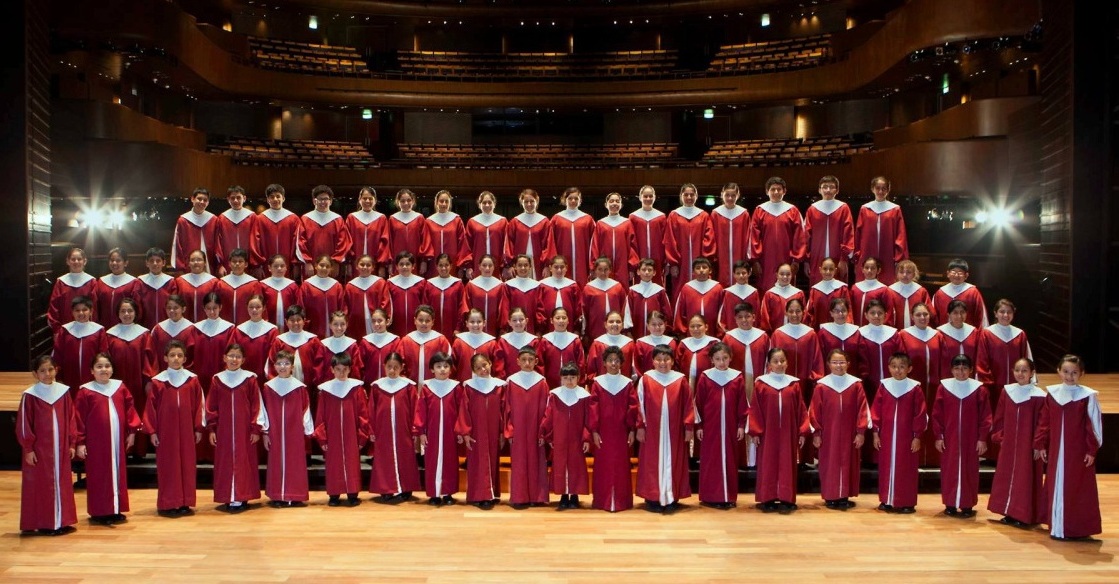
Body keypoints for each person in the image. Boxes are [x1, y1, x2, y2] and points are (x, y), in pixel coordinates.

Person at [1035, 354, 1102, 540]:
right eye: (1065, 372)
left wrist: (1091, 450)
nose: (1069, 376)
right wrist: (1041, 444)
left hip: (1077, 452)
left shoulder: (1086, 397)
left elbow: (1093, 425)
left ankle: (1075, 527)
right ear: (1058, 372)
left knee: (1076, 487)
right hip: (1057, 451)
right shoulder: (1053, 395)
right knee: (1056, 484)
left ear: (1081, 374)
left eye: (1074, 372)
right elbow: (1044, 422)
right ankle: (1057, 526)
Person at [75, 353, 141, 524]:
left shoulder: (120, 388)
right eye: (99, 366)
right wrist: (80, 442)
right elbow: (78, 418)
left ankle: (115, 508)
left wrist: (132, 432)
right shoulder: (85, 392)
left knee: (117, 473)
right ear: (92, 371)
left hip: (117, 440)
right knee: (98, 474)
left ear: (112, 369)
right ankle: (99, 511)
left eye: (107, 366)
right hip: (96, 442)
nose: (104, 370)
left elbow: (130, 410)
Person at [17, 355, 78, 535]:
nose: (47, 374)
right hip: (40, 451)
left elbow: (71, 418)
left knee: (62, 483)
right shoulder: (30, 396)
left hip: (60, 449)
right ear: (35, 374)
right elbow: (23, 424)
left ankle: (62, 520)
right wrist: (28, 448)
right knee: (43, 485)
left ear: (56, 370)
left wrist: (72, 443)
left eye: (50, 370)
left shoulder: (63, 392)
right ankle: (46, 522)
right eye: (42, 371)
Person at [143, 341, 204, 516]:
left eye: (179, 355)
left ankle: (184, 501)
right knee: (168, 465)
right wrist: (152, 431)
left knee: (186, 464)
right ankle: (169, 503)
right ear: (165, 358)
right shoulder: (158, 382)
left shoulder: (192, 380)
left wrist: (198, 428)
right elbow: (151, 408)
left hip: (186, 430)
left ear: (185, 358)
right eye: (172, 355)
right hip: (165, 430)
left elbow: (199, 405)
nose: (176, 359)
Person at [635, 344, 695, 513]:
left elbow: (688, 405)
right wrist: (641, 426)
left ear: (672, 361)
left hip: (674, 430)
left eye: (666, 359)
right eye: (659, 359)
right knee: (652, 461)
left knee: (673, 459)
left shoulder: (680, 379)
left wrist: (688, 427)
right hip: (652, 429)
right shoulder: (646, 379)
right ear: (653, 361)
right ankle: (653, 496)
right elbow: (639, 404)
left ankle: (671, 495)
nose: (663, 363)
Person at [749, 348, 810, 512]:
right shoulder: (761, 384)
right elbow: (755, 409)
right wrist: (755, 431)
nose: (779, 364)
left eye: (782, 360)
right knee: (768, 462)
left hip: (788, 432)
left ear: (787, 362)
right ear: (769, 364)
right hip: (768, 432)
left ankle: (786, 497)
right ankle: (767, 497)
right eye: (775, 361)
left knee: (787, 463)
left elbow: (801, 409)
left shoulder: (793, 384)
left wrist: (802, 431)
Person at [987, 358, 1046, 527]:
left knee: (1025, 478)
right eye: (1017, 370)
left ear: (1032, 373)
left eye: (1025, 371)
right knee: (1007, 476)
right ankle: (1009, 511)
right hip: (1010, 444)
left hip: (1028, 445)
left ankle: (1025, 514)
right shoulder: (1008, 392)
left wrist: (1038, 444)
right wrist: (1000, 436)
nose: (1020, 374)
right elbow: (999, 417)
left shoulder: (1039, 396)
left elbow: (1043, 423)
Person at [931, 354, 992, 518]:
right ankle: (950, 503)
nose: (961, 372)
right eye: (957, 369)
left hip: (970, 438)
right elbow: (937, 414)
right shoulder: (944, 388)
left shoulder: (979, 389)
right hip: (950, 438)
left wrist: (982, 438)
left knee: (969, 470)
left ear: (971, 370)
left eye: (965, 369)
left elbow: (986, 417)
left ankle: (967, 504)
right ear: (951, 370)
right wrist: (939, 435)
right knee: (949, 469)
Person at [206, 343, 263, 513]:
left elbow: (256, 405)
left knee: (244, 462)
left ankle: (242, 496)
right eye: (231, 356)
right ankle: (227, 496)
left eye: (238, 356)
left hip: (244, 430)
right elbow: (211, 406)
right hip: (224, 430)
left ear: (243, 360)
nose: (234, 359)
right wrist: (211, 428)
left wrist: (255, 428)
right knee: (225, 463)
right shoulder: (217, 379)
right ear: (224, 358)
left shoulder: (250, 379)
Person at [810, 349, 869, 510]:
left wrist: (861, 432)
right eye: (835, 362)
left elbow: (862, 410)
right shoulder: (822, 386)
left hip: (851, 433)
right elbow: (814, 411)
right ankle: (831, 495)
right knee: (830, 463)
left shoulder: (855, 385)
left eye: (842, 362)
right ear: (828, 364)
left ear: (848, 364)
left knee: (848, 461)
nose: (838, 365)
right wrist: (817, 433)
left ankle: (845, 494)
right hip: (829, 433)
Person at [871, 352, 927, 514]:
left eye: (902, 367)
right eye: (894, 367)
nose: (898, 370)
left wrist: (917, 436)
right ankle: (887, 499)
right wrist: (876, 433)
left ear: (909, 369)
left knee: (906, 468)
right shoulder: (884, 386)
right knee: (886, 466)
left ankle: (906, 501)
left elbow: (920, 414)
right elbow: (876, 411)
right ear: (889, 368)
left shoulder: (915, 388)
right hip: (887, 436)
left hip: (907, 437)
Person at [694, 342, 747, 509]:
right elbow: (699, 403)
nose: (722, 362)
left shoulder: (737, 377)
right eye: (718, 359)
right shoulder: (705, 377)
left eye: (725, 358)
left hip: (730, 426)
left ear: (730, 358)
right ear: (712, 360)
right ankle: (711, 495)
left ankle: (728, 495)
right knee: (711, 460)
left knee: (730, 459)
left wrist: (741, 424)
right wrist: (700, 426)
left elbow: (741, 403)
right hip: (710, 426)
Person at [315, 352, 369, 507]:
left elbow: (363, 414)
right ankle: (334, 494)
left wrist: (362, 436)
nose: (341, 372)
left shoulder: (356, 389)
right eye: (338, 369)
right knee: (333, 463)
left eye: (344, 369)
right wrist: (322, 438)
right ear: (332, 370)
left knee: (352, 462)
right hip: (332, 435)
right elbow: (320, 416)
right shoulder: (326, 390)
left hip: (351, 434)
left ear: (350, 369)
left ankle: (352, 493)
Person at [260, 350, 313, 508]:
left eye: (286, 364)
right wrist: (265, 432)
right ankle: (277, 495)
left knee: (295, 462)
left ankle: (295, 495)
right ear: (274, 366)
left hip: (294, 432)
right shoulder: (269, 388)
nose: (283, 367)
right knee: (277, 462)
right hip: (275, 432)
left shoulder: (299, 388)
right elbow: (263, 411)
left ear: (292, 366)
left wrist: (308, 430)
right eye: (279, 364)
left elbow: (305, 410)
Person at [588, 346, 638, 512]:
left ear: (622, 363)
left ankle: (621, 501)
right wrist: (594, 431)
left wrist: (632, 429)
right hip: (603, 431)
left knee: (621, 466)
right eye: (610, 361)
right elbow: (593, 408)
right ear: (604, 363)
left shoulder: (627, 384)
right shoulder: (598, 383)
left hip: (621, 431)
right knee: (603, 465)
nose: (614, 364)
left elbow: (633, 407)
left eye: (617, 361)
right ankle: (603, 500)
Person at [105, 298, 157, 458]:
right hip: (116, 383)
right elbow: (106, 359)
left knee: (138, 410)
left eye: (130, 311)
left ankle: (139, 448)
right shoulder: (110, 335)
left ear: (136, 313)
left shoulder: (144, 334)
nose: (126, 314)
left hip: (138, 383)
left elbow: (150, 360)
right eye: (123, 311)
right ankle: (121, 448)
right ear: (117, 314)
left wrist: (148, 381)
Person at [368, 352, 421, 503]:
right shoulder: (377, 386)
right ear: (384, 366)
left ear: (402, 368)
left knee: (405, 457)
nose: (392, 370)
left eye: (396, 367)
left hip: (403, 429)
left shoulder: (408, 386)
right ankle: (386, 488)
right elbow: (371, 409)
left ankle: (406, 487)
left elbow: (414, 408)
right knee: (384, 458)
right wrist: (371, 429)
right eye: (389, 367)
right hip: (383, 429)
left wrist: (415, 428)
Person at [456, 353, 506, 509]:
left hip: (493, 430)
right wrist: (465, 432)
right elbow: (464, 410)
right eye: (478, 368)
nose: (483, 369)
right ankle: (480, 495)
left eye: (485, 365)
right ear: (473, 370)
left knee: (492, 459)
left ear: (490, 363)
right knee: (478, 462)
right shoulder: (469, 387)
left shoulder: (499, 386)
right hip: (475, 432)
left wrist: (503, 431)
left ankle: (491, 493)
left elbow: (504, 409)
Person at [503, 347, 550, 509]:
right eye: (524, 360)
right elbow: (507, 409)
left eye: (531, 360)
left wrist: (543, 432)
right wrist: (509, 430)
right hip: (518, 430)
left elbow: (547, 409)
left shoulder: (541, 382)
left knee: (537, 460)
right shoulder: (511, 382)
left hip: (536, 430)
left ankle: (537, 496)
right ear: (518, 361)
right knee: (519, 462)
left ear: (536, 361)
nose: (527, 363)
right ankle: (520, 496)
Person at [541, 363, 592, 510]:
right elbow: (548, 416)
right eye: (566, 377)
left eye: (573, 377)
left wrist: (586, 438)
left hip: (577, 438)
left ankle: (575, 494)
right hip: (560, 436)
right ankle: (563, 494)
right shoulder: (555, 396)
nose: (569, 381)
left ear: (578, 378)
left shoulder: (584, 396)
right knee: (560, 465)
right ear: (561, 379)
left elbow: (588, 419)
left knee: (576, 466)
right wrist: (550, 437)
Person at [414, 352, 462, 505]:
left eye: (446, 366)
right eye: (439, 366)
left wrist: (460, 430)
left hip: (450, 431)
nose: (442, 369)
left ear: (451, 369)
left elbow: (461, 410)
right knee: (432, 461)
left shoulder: (455, 387)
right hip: (432, 432)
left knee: (450, 461)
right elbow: (421, 410)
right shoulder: (427, 387)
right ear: (432, 369)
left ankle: (448, 493)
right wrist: (421, 431)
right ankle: (434, 493)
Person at [751, 177, 807, 291]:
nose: (776, 192)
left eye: (779, 189)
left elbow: (799, 237)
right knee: (765, 287)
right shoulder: (759, 211)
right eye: (773, 189)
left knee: (787, 288)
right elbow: (754, 237)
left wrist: (796, 260)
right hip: (765, 260)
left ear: (784, 191)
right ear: (767, 191)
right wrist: (755, 260)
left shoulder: (792, 211)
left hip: (786, 257)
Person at [977, 299, 1033, 409]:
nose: (1005, 315)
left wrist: (1027, 379)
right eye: (1002, 312)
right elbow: (982, 361)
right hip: (994, 387)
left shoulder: (1020, 335)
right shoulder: (987, 334)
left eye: (1009, 312)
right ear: (995, 313)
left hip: (1017, 385)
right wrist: (988, 384)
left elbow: (1027, 359)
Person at [664, 183, 716, 298]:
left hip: (699, 263)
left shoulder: (703, 216)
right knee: (679, 290)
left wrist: (704, 262)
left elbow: (709, 239)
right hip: (680, 264)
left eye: (692, 195)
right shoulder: (674, 215)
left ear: (696, 196)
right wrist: (673, 263)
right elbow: (670, 240)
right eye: (686, 194)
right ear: (681, 196)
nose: (689, 197)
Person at [854, 176, 908, 285]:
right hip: (867, 252)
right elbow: (858, 234)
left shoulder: (895, 209)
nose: (880, 191)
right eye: (878, 188)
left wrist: (899, 257)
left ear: (888, 190)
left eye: (884, 188)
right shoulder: (865, 209)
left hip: (888, 254)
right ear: (872, 189)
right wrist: (857, 256)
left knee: (887, 284)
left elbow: (900, 234)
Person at [804, 175, 855, 285]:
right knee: (817, 286)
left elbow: (848, 234)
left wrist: (844, 259)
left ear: (837, 190)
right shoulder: (812, 209)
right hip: (816, 257)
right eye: (825, 187)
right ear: (819, 190)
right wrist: (807, 261)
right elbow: (806, 237)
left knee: (838, 287)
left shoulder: (843, 208)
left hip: (838, 256)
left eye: (831, 187)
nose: (828, 190)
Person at [770, 298, 824, 398]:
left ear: (803, 312)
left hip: (806, 382)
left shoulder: (810, 334)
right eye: (791, 311)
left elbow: (817, 360)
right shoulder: (778, 334)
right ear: (785, 313)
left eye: (798, 311)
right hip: (782, 382)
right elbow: (771, 360)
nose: (794, 315)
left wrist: (815, 379)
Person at [52, 296, 106, 392]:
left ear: (91, 311)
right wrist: (59, 377)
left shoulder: (99, 331)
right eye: (77, 310)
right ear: (72, 312)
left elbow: (103, 355)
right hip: (69, 377)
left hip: (92, 377)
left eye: (85, 310)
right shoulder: (65, 331)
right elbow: (57, 356)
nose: (81, 313)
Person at [265, 305, 325, 391]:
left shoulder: (313, 341)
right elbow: (271, 364)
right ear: (286, 321)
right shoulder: (279, 341)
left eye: (298, 320)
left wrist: (314, 382)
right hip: (283, 387)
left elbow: (320, 364)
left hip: (309, 388)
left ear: (304, 321)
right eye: (292, 320)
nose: (295, 323)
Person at [855, 299, 902, 404]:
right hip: (868, 382)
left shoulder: (893, 334)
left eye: (880, 313)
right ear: (866, 315)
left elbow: (901, 357)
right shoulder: (859, 334)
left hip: (892, 379)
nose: (876, 316)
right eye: (872, 313)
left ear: (885, 315)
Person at [297, 185, 352, 272]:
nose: (323, 201)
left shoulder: (338, 220)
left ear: (330, 201)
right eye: (320, 199)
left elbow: (342, 243)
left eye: (326, 199)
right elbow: (301, 243)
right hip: (311, 266)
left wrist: (336, 262)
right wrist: (307, 262)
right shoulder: (305, 219)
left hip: (332, 266)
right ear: (314, 201)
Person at [550, 187, 596, 287]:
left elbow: (594, 244)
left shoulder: (587, 219)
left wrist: (592, 265)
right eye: (570, 198)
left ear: (580, 201)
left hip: (582, 261)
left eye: (576, 198)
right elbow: (551, 243)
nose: (573, 201)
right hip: (562, 259)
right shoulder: (557, 219)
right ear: (564, 200)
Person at [590, 192, 639, 286]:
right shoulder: (601, 224)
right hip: (603, 266)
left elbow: (632, 246)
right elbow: (595, 246)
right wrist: (594, 267)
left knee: (622, 290)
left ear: (621, 205)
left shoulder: (627, 223)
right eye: (611, 201)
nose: (614, 204)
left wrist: (631, 267)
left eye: (617, 201)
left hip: (622, 266)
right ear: (606, 204)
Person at [255, 184, 303, 280]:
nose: (275, 199)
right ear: (268, 199)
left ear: (283, 198)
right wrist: (258, 265)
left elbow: (298, 244)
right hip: (266, 265)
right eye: (272, 197)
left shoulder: (293, 219)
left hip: (288, 265)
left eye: (278, 196)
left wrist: (296, 264)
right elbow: (255, 243)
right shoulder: (260, 219)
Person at [503, 188, 554, 279]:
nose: (529, 204)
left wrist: (547, 265)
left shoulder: (544, 221)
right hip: (519, 264)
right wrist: (509, 264)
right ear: (521, 202)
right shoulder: (515, 222)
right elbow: (509, 245)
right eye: (526, 201)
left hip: (539, 264)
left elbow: (548, 245)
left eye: (532, 201)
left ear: (537, 201)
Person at [397, 305, 451, 387]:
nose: (424, 323)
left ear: (433, 322)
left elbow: (449, 364)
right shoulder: (406, 340)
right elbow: (399, 364)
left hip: (435, 387)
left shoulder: (441, 340)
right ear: (415, 320)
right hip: (410, 386)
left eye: (427, 320)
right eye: (420, 320)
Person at [192, 293, 236, 394]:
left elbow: (231, 352)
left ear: (220, 307)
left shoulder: (229, 329)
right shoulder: (196, 329)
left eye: (215, 308)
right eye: (208, 308)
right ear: (204, 308)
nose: (212, 312)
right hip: (200, 375)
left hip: (222, 376)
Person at [710, 182, 751, 288]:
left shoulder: (744, 214)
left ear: (738, 196)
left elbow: (748, 237)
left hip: (739, 254)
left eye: (733, 195)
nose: (730, 198)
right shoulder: (716, 214)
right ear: (722, 194)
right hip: (721, 257)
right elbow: (711, 237)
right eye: (727, 195)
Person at [171, 187, 221, 274]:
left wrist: (220, 264)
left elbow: (218, 244)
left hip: (209, 263)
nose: (202, 202)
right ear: (192, 199)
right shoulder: (183, 220)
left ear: (208, 203)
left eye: (205, 200)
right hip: (189, 265)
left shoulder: (213, 220)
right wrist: (180, 266)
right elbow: (177, 245)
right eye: (199, 199)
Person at [345, 187, 391, 278]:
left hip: (375, 263)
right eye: (364, 198)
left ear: (375, 200)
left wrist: (381, 265)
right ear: (359, 199)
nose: (367, 201)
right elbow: (347, 242)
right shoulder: (352, 218)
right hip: (355, 262)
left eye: (370, 198)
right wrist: (349, 262)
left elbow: (385, 243)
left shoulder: (381, 218)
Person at [48, 247, 98, 331]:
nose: (76, 262)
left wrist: (92, 328)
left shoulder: (91, 282)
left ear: (84, 261)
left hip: (87, 328)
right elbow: (54, 307)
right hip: (65, 329)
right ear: (67, 261)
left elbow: (95, 307)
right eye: (73, 259)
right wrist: (57, 330)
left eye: (79, 259)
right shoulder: (61, 282)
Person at [215, 186, 262, 274]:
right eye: (232, 198)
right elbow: (218, 243)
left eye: (238, 197)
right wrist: (220, 264)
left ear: (244, 198)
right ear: (228, 199)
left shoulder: (252, 217)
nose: (235, 201)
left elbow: (256, 242)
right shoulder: (222, 218)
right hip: (227, 264)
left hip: (249, 263)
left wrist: (256, 264)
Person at [672, 257, 724, 336]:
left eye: (704, 267)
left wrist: (720, 331)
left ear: (710, 270)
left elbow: (722, 311)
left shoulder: (717, 288)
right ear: (693, 271)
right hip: (692, 332)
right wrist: (682, 331)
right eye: (698, 268)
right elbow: (680, 312)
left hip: (712, 332)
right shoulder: (687, 288)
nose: (701, 270)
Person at [426, 190, 471, 278]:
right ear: (436, 202)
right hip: (433, 263)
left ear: (450, 203)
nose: (444, 204)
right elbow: (426, 244)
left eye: (446, 201)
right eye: (441, 201)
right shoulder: (429, 221)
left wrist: (461, 266)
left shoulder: (456, 220)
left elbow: (462, 244)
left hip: (453, 262)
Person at [387, 188, 433, 275]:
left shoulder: (419, 218)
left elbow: (425, 241)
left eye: (409, 200)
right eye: (402, 201)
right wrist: (390, 263)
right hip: (397, 260)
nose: (406, 203)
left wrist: (424, 261)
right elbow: (389, 243)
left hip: (416, 260)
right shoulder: (392, 219)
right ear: (398, 202)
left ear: (413, 201)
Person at [931, 258, 989, 328]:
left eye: (960, 272)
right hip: (944, 335)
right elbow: (933, 317)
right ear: (948, 274)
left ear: (966, 275)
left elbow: (981, 317)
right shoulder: (940, 293)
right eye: (953, 271)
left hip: (968, 335)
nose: (956, 275)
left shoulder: (973, 292)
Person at [583, 257, 631, 340]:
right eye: (600, 269)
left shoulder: (617, 287)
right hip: (595, 327)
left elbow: (624, 308)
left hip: (616, 327)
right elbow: (585, 311)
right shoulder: (588, 288)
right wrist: (585, 331)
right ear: (595, 271)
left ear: (610, 270)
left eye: (606, 269)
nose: (603, 272)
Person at [629, 185, 668, 286]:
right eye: (645, 196)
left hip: (658, 260)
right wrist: (633, 263)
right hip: (639, 258)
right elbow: (631, 242)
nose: (648, 198)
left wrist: (667, 262)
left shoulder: (661, 217)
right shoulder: (633, 217)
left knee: (657, 286)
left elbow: (666, 240)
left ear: (655, 197)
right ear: (640, 197)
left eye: (651, 196)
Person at [461, 254, 508, 337]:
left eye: (490, 265)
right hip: (474, 328)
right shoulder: (471, 285)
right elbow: (466, 307)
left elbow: (503, 309)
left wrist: (502, 328)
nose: (487, 268)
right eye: (484, 265)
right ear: (479, 266)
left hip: (494, 329)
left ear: (494, 267)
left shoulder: (500, 286)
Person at [343, 254, 389, 338]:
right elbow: (346, 307)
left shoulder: (380, 283)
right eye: (362, 264)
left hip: (376, 322)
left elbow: (385, 302)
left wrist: (382, 317)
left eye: (368, 265)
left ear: (373, 267)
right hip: (357, 323)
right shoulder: (350, 286)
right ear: (357, 266)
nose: (365, 267)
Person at [451, 309, 504, 382]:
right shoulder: (459, 342)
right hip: (463, 386)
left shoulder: (491, 343)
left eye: (479, 322)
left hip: (486, 386)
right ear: (466, 323)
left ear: (484, 323)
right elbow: (452, 365)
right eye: (472, 322)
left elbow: (498, 366)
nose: (475, 325)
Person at [539, 307, 585, 390]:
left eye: (564, 318)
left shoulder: (575, 341)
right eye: (557, 318)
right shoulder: (545, 341)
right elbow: (540, 365)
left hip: (572, 385)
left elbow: (580, 364)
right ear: (551, 321)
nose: (561, 321)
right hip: (550, 385)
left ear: (568, 321)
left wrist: (580, 384)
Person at [299, 255, 344, 339]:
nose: (324, 268)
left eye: (327, 266)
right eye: (321, 265)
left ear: (331, 268)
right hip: (313, 326)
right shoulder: (307, 285)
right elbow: (301, 307)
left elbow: (341, 307)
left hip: (334, 328)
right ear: (316, 266)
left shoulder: (336, 286)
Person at [94, 248, 140, 329]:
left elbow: (136, 307)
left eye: (118, 260)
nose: (114, 263)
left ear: (125, 263)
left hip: (126, 326)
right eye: (112, 260)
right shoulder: (101, 282)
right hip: (104, 326)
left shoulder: (133, 282)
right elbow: (96, 306)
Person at [465, 190, 508, 278]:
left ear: (494, 204)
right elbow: (467, 246)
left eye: (489, 202)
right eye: (484, 203)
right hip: (478, 265)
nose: (487, 205)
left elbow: (506, 246)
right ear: (479, 204)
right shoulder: (472, 222)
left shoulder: (502, 222)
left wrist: (506, 265)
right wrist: (469, 266)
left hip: (497, 265)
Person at [628, 258, 672, 340]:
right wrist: (628, 331)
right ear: (638, 272)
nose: (647, 272)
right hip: (636, 331)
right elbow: (627, 313)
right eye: (644, 270)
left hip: (657, 333)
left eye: (649, 270)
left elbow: (667, 313)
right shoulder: (632, 291)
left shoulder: (660, 291)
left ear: (654, 272)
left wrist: (664, 329)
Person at [424, 254, 466, 339]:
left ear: (451, 266)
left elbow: (462, 307)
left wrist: (458, 328)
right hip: (433, 327)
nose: (443, 268)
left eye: (446, 265)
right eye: (441, 265)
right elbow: (425, 307)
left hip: (452, 327)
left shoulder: (458, 284)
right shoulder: (429, 284)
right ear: (436, 266)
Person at [817, 298, 862, 376]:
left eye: (843, 310)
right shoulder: (824, 333)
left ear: (848, 312)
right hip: (829, 375)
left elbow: (861, 357)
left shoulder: (856, 332)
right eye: (837, 311)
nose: (840, 314)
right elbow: (820, 357)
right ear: (831, 313)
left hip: (852, 375)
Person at [386, 252, 426, 337]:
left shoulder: (421, 283)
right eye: (401, 264)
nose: (404, 267)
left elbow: (424, 303)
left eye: (408, 264)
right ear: (396, 266)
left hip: (416, 322)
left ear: (413, 266)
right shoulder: (390, 283)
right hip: (396, 323)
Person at [538, 256, 584, 331]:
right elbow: (539, 308)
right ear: (550, 268)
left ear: (566, 268)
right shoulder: (542, 285)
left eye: (562, 267)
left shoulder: (573, 286)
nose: (559, 270)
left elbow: (578, 309)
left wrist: (577, 329)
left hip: (569, 327)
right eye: (556, 267)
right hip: (547, 328)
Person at [586, 311, 636, 380]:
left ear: (622, 324)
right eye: (611, 322)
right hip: (603, 386)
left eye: (618, 322)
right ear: (605, 324)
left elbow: (634, 369)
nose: (615, 324)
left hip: (624, 387)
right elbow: (591, 370)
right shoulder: (597, 344)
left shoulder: (630, 344)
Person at [217, 248, 261, 325]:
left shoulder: (253, 283)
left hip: (247, 325)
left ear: (246, 264)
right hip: (225, 325)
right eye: (234, 261)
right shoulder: (221, 283)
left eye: (240, 261)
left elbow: (259, 305)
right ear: (229, 264)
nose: (237, 264)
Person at [936, 300, 980, 377]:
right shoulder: (940, 333)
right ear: (949, 314)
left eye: (962, 312)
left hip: (969, 377)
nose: (959, 316)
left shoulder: (974, 332)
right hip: (947, 376)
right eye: (955, 313)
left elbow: (978, 357)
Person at [504, 255, 546, 335]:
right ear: (514, 267)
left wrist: (539, 330)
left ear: (530, 267)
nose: (523, 268)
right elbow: (505, 308)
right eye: (520, 265)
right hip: (512, 329)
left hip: (532, 330)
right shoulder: (508, 286)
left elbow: (540, 309)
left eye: (526, 265)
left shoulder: (537, 286)